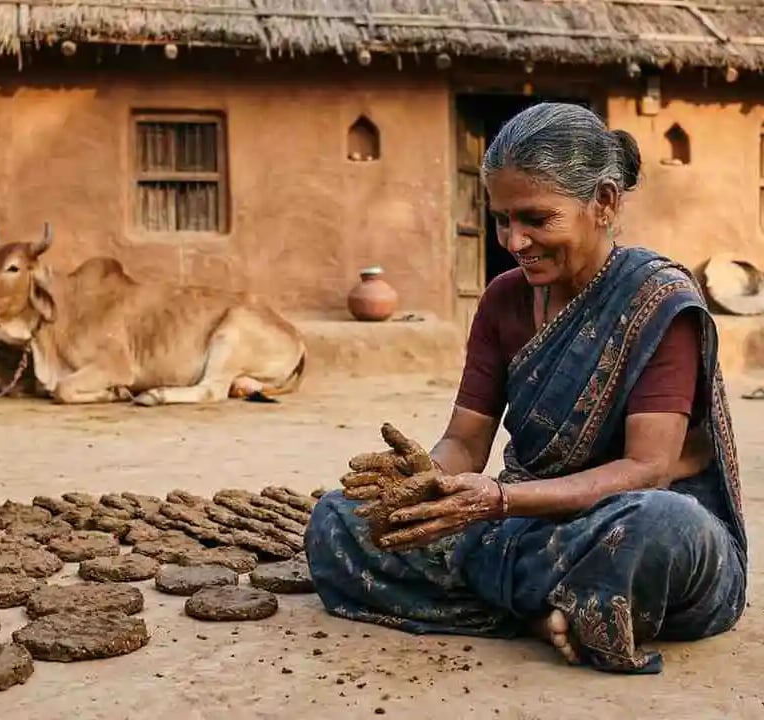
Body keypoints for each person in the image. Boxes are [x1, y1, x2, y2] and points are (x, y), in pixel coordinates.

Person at [304, 102, 747, 674]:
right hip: (530, 528)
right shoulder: (503, 300)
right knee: (337, 520)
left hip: (624, 525)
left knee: (661, 527)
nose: (515, 240)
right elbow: (465, 441)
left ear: (604, 203)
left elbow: (647, 469)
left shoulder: (660, 303)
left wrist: (499, 500)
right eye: (502, 220)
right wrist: (427, 485)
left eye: (537, 219)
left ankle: (540, 597)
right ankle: (556, 611)